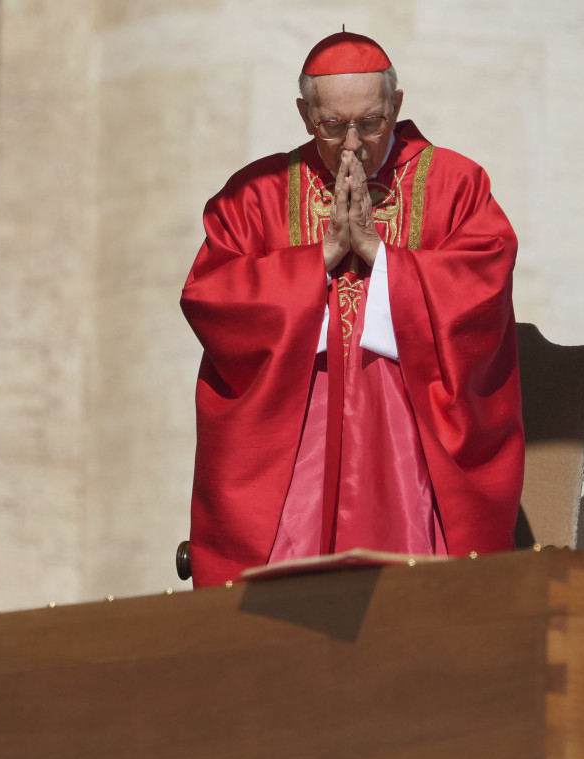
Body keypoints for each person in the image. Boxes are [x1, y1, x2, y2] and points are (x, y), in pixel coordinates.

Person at [181, 32, 524, 587]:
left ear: (397, 105)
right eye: (332, 125)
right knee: (288, 605)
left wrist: (382, 260)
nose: (352, 144)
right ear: (304, 114)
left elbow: (482, 286)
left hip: (410, 441)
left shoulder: (455, 185)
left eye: (370, 122)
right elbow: (211, 294)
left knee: (412, 594)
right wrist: (319, 258)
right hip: (295, 442)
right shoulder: (255, 195)